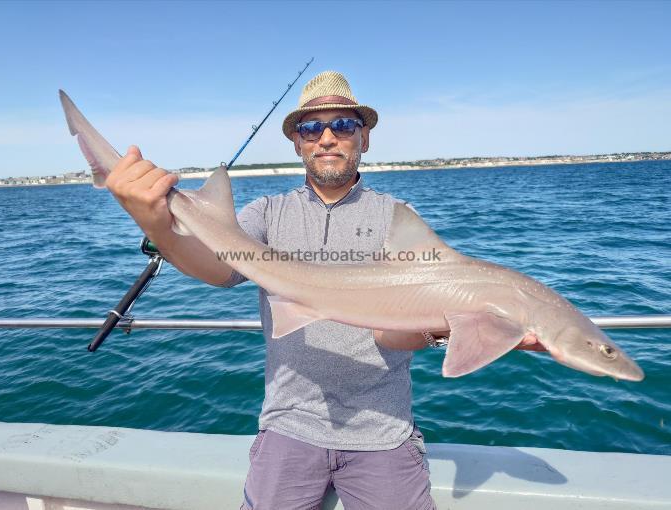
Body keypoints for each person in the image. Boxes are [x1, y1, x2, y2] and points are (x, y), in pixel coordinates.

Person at [106, 71, 544, 510]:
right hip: (288, 425)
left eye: (344, 125)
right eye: (312, 128)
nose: (327, 137)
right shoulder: (269, 214)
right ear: (297, 142)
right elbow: (215, 270)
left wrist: (454, 330)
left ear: (364, 138)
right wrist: (154, 222)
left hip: (382, 429)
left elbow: (390, 336)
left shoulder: (399, 219)